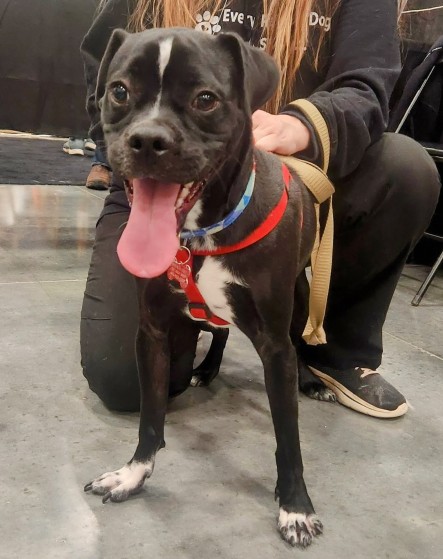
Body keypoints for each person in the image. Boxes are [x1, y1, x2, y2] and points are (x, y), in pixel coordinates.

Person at [80, 0, 440, 417]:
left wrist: (301, 124)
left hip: (295, 175)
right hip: (157, 184)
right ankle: (194, 309)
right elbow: (101, 68)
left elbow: (366, 86)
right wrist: (121, 147)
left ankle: (333, 349)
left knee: (404, 169)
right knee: (124, 379)